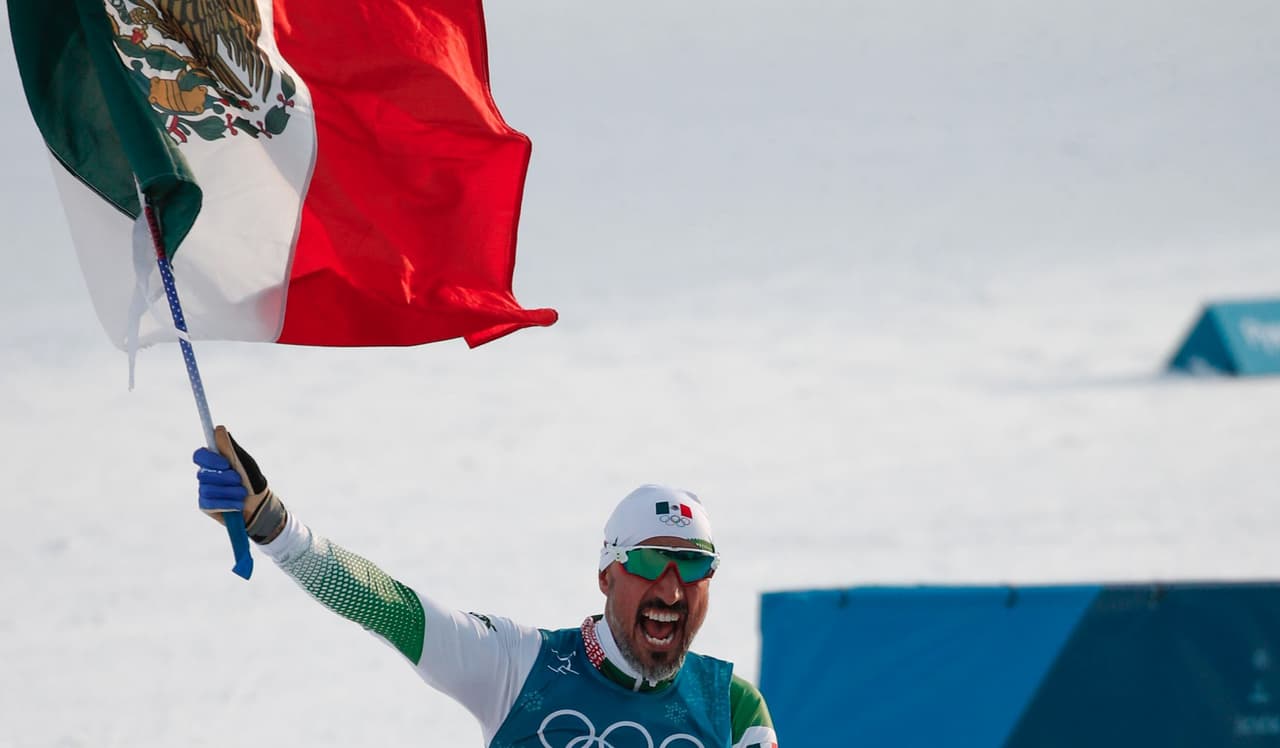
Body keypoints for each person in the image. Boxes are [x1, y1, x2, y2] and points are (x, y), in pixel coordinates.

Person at [194, 426, 779, 748]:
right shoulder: (520, 666)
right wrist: (271, 524)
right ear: (607, 573)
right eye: (652, 562)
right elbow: (390, 608)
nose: (673, 591)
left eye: (695, 567)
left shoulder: (729, 706)